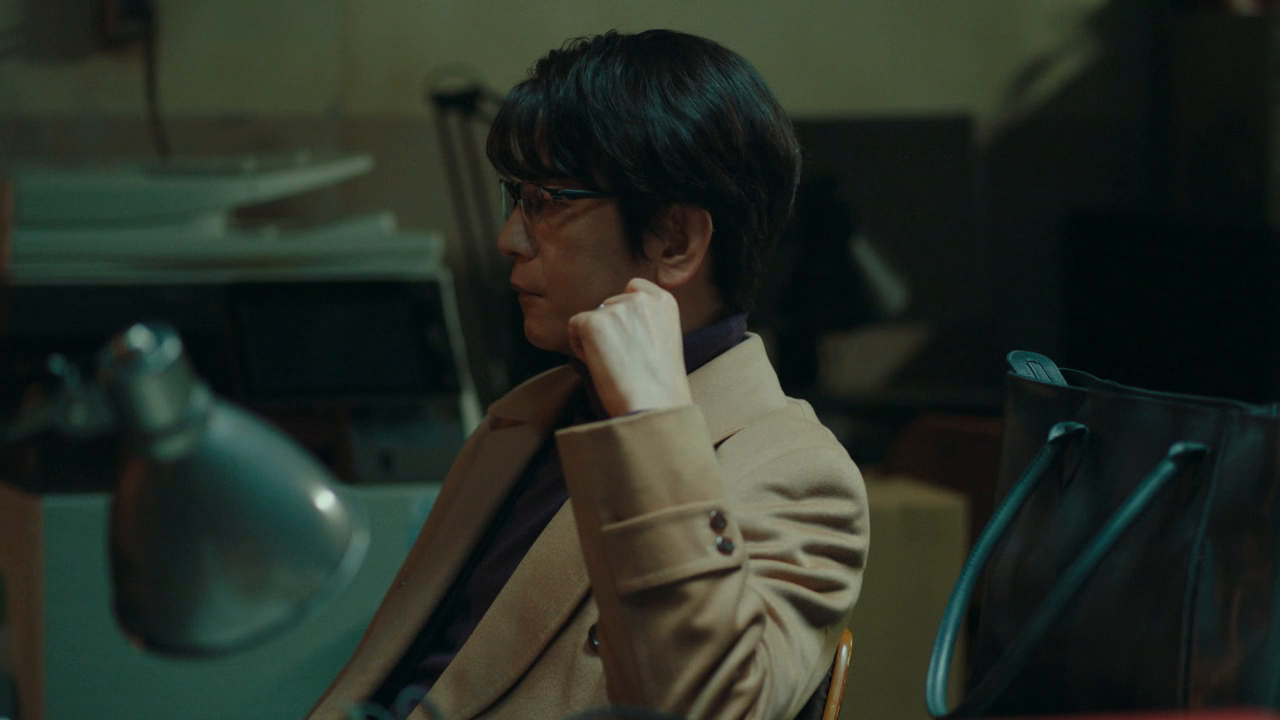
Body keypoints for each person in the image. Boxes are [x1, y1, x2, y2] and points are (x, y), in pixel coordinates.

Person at [305, 29, 869, 720]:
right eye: (516, 197)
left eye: (548, 201)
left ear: (674, 240)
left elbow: (702, 708)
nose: (509, 239)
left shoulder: (801, 474)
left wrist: (652, 423)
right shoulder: (527, 414)